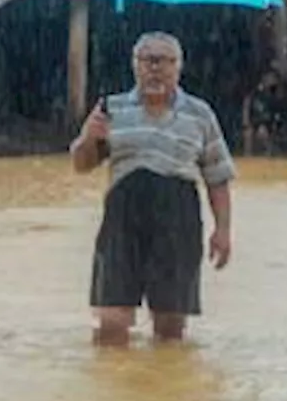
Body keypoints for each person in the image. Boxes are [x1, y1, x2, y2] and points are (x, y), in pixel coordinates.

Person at [69, 31, 236, 347]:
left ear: (179, 67)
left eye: (165, 61)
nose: (155, 68)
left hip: (177, 221)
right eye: (148, 60)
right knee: (111, 324)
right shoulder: (111, 108)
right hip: (122, 221)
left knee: (171, 329)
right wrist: (89, 138)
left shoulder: (200, 114)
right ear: (135, 66)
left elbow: (217, 176)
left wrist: (223, 230)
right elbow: (81, 164)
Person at [241, 69, 287, 156]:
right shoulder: (255, 95)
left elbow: (278, 114)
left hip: (268, 124)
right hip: (255, 123)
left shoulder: (275, 98)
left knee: (262, 132)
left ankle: (267, 156)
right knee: (248, 133)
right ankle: (247, 156)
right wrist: (246, 123)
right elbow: (247, 107)